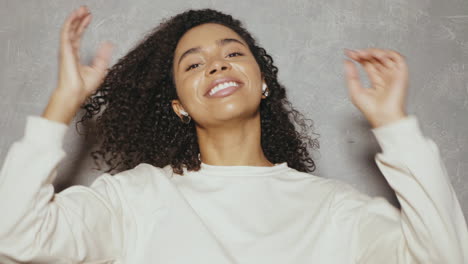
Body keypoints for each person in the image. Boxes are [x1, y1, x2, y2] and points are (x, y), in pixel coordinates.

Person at [0, 5, 467, 264]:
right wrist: (63, 101)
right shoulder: (135, 199)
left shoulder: (335, 210)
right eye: (194, 64)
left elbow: (446, 258)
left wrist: (395, 127)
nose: (217, 64)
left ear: (262, 81)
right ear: (179, 106)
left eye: (232, 53)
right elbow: (14, 237)